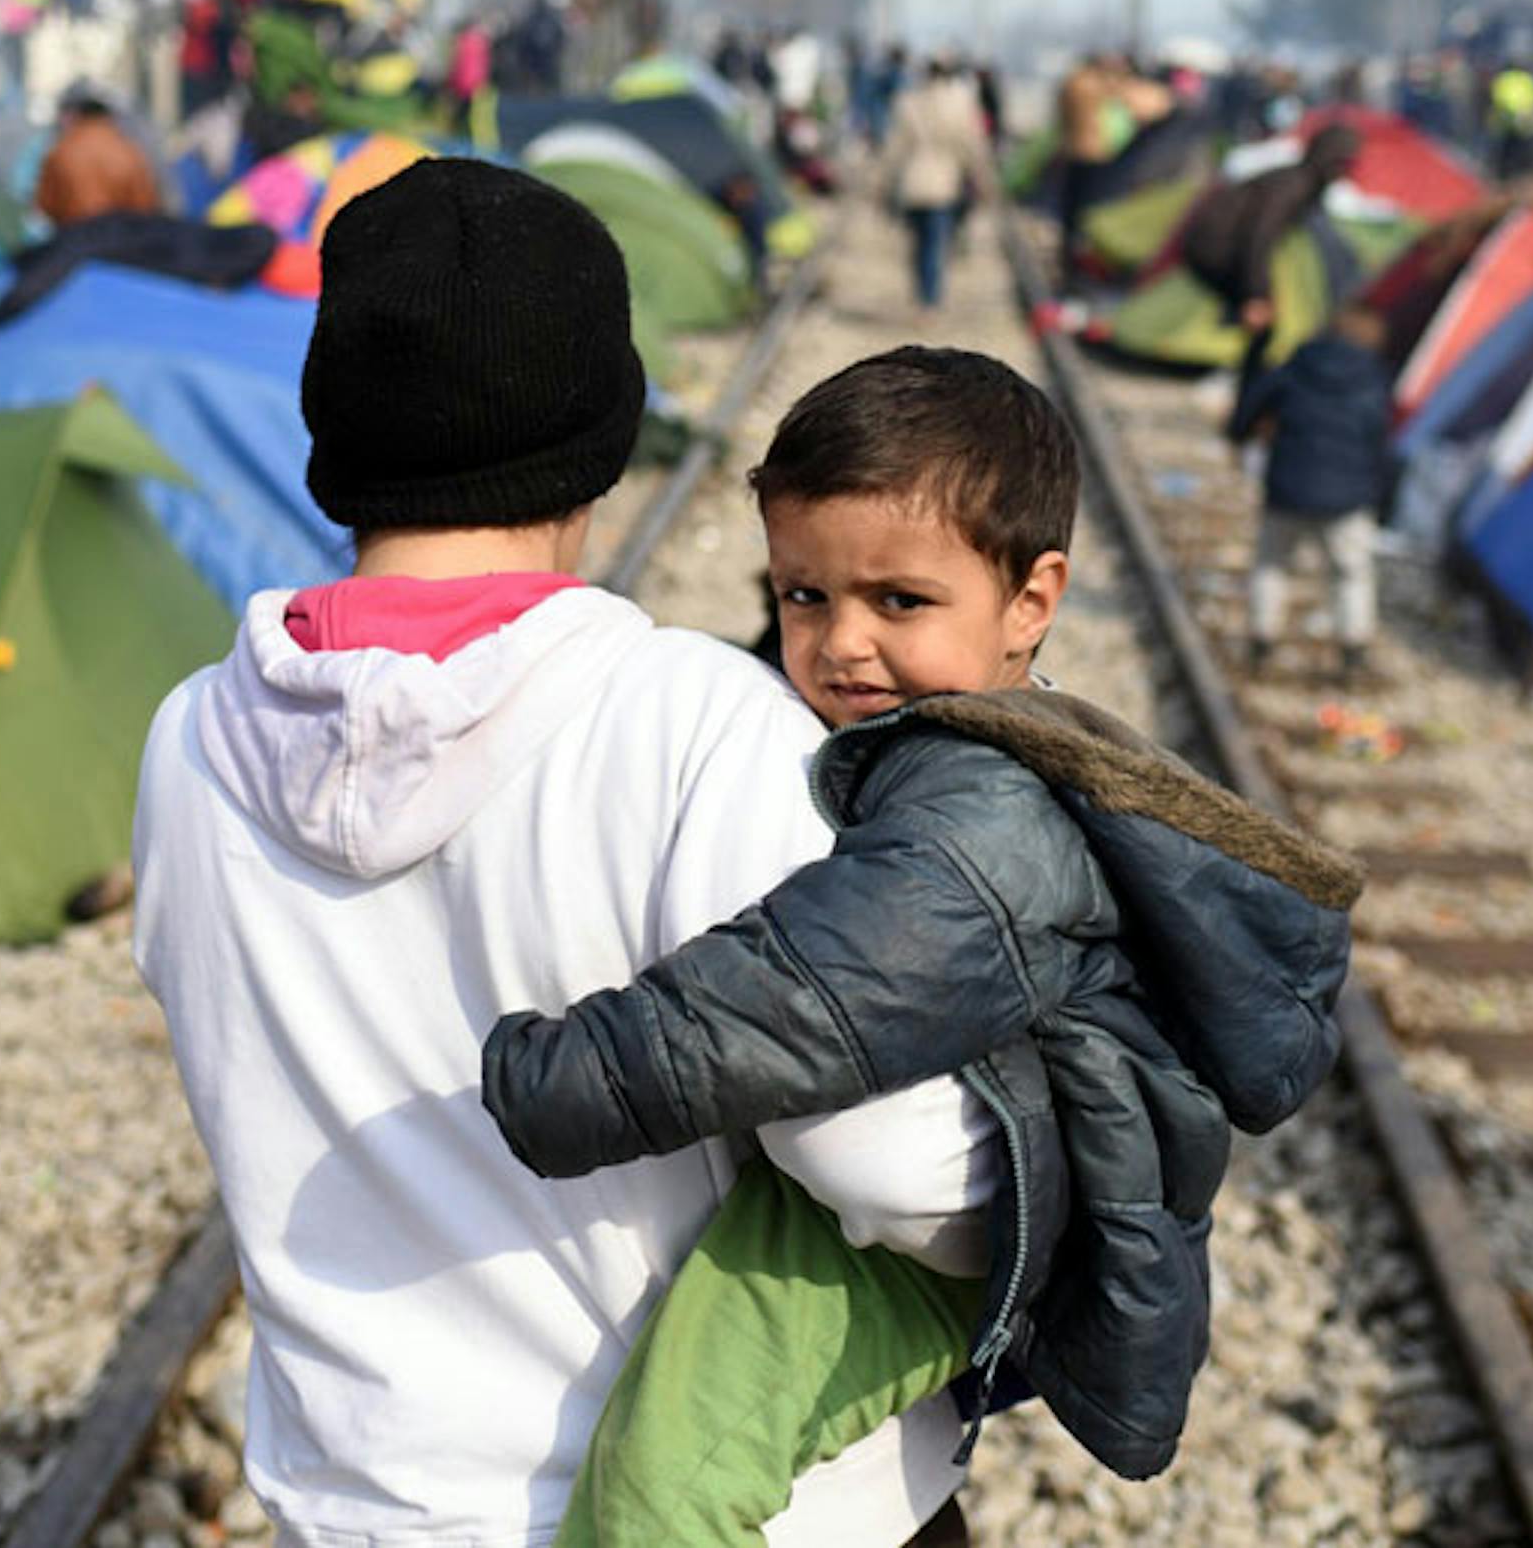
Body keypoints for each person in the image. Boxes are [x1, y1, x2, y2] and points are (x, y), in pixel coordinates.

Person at [133, 161, 994, 1548]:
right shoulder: (699, 728)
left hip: (370, 1512)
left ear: (332, 437)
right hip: (737, 1514)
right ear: (604, 439)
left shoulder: (188, 744)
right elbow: (895, 1166)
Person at [481, 347, 1358, 1544]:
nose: (842, 643)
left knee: (662, 1486)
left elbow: (807, 993)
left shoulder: (983, 810)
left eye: (899, 602)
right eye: (804, 596)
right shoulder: (958, 740)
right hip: (952, 1192)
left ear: (1033, 601)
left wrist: (562, 1077)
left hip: (925, 1241)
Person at [1232, 309, 1393, 685]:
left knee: (1271, 564)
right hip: (1348, 499)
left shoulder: (1295, 368)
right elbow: (1380, 446)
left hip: (1288, 488)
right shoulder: (1374, 382)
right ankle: (1353, 650)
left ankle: (1261, 641)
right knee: (1351, 574)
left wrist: (1241, 436)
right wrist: (1381, 499)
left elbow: (1249, 408)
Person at [1177, 122, 1362, 413]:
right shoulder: (1295, 185)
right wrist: (1256, 294)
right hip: (1214, 249)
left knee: (1259, 325)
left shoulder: (1297, 179)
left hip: (1215, 246)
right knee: (1263, 327)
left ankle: (1235, 387)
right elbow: (1258, 237)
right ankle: (1239, 396)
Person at [876, 55, 1003, 313]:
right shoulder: (961, 103)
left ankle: (922, 294)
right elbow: (973, 147)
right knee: (936, 242)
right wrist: (985, 180)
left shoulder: (907, 102)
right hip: (944, 181)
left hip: (912, 182)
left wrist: (882, 182)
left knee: (919, 242)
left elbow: (893, 148)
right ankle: (930, 301)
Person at [32, 88, 163, 225]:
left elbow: (45, 204)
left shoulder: (60, 151)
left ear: (78, 116)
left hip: (75, 237)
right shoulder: (130, 151)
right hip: (121, 238)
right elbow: (146, 203)